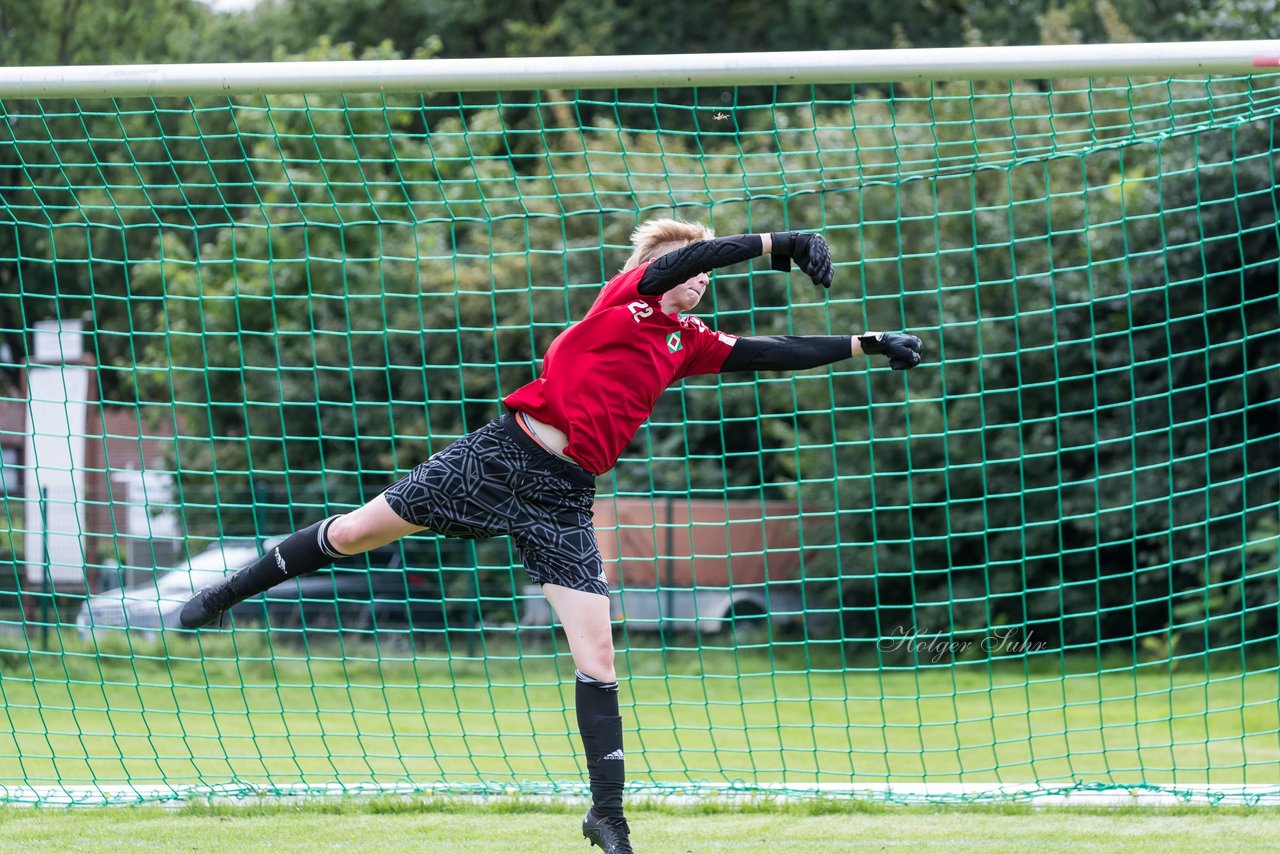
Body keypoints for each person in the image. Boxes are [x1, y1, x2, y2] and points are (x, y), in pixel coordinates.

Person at [180, 219, 923, 853]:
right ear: (649, 271)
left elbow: (770, 351)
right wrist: (773, 242)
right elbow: (680, 261)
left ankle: (607, 814)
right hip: (498, 458)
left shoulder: (684, 341)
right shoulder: (624, 300)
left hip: (563, 498)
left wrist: (865, 342)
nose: (697, 286)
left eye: (705, 281)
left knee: (598, 653)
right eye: (690, 274)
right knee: (353, 534)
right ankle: (222, 595)